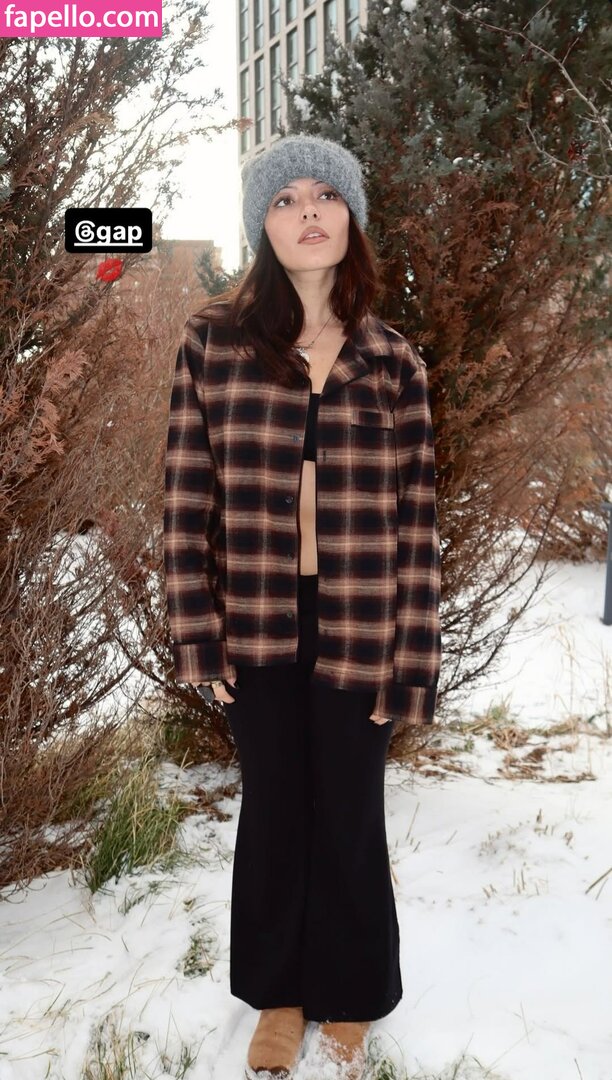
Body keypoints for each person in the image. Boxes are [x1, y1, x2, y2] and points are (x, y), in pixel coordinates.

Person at [163, 134, 441, 1080]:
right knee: (275, 808)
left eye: (326, 195)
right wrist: (197, 635)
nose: (308, 212)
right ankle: (278, 994)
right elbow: (186, 499)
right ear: (262, 226)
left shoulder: (393, 361)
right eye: (285, 200)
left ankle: (353, 990)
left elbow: (418, 524)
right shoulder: (214, 343)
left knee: (351, 811)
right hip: (255, 621)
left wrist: (413, 662)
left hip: (364, 620)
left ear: (350, 217)